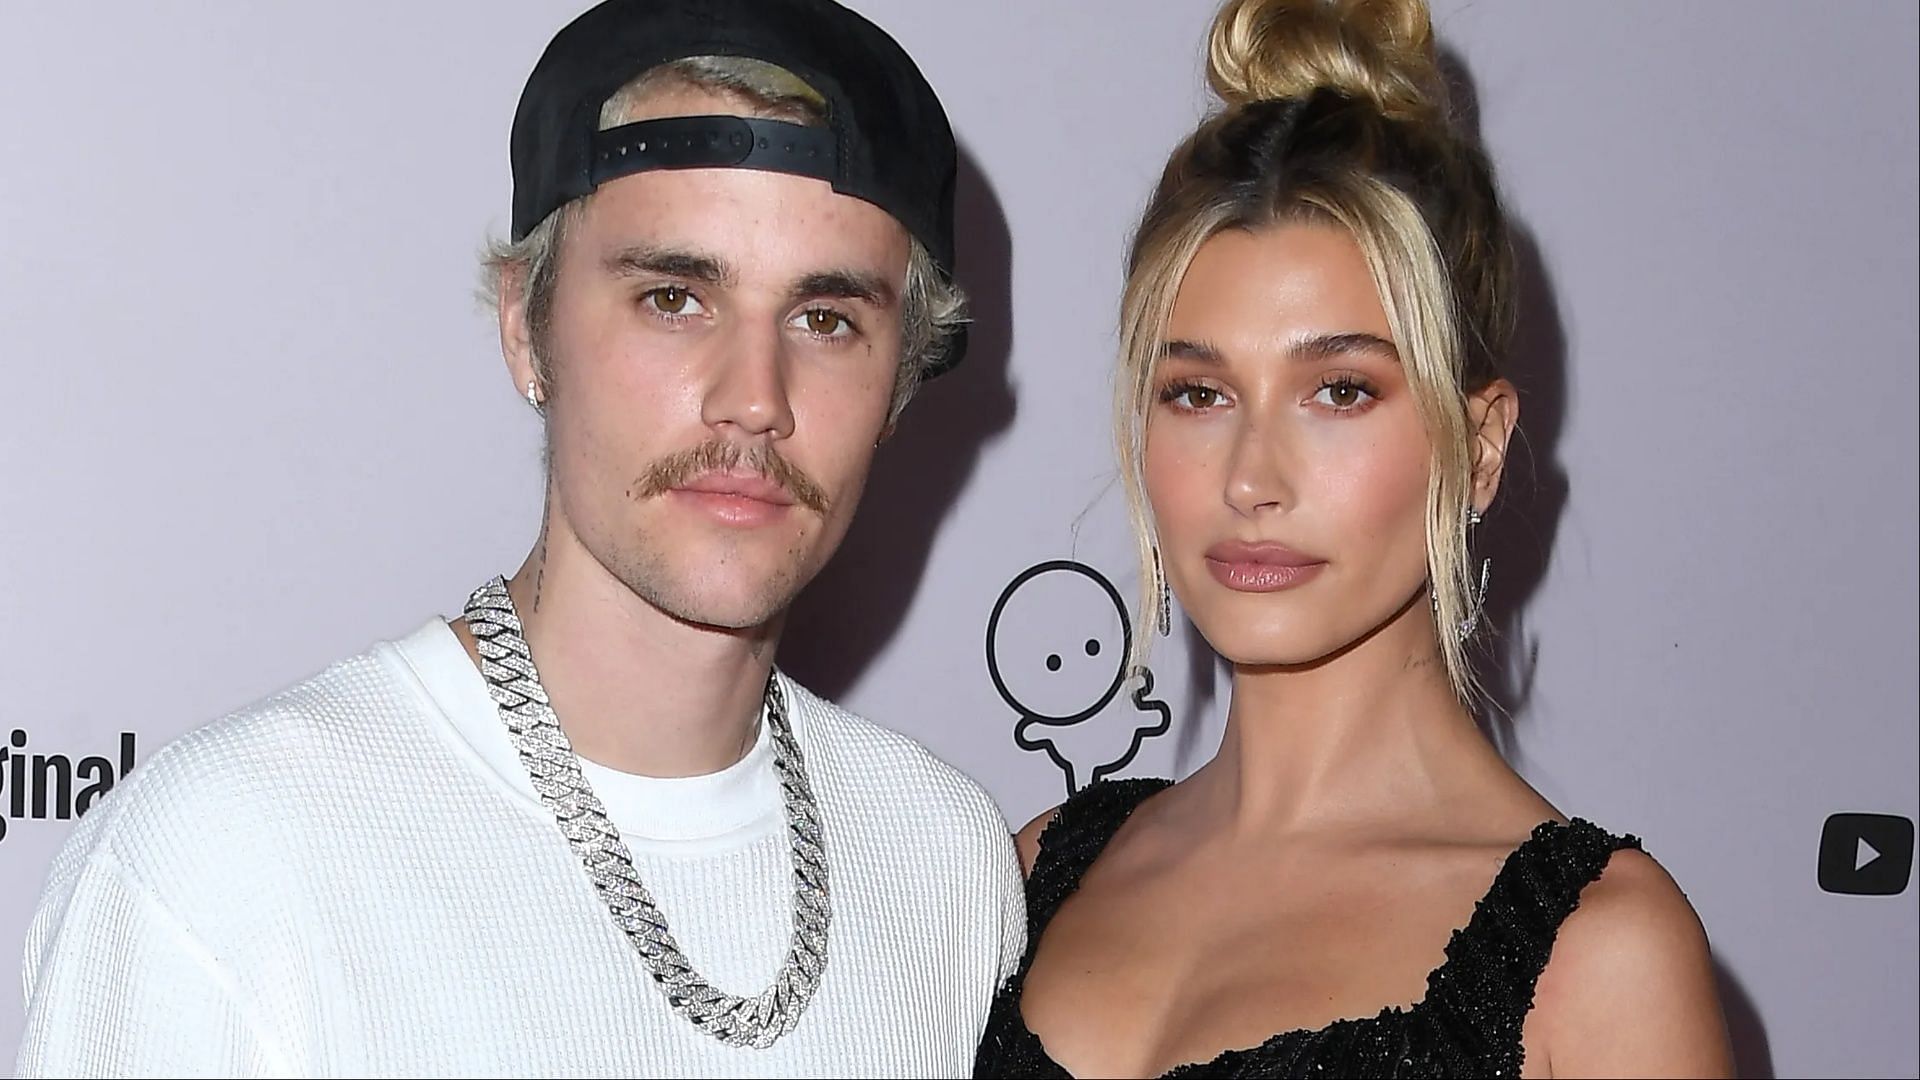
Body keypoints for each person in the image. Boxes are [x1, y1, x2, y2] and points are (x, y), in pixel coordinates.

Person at [17, 1, 1024, 1075]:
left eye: (826, 320)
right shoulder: (225, 864)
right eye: (674, 298)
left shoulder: (945, 862)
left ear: (901, 382)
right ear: (523, 326)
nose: (753, 399)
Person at [974, 0, 1735, 1076]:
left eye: (1339, 389)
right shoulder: (1040, 868)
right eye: (1197, 392)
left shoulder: (1596, 958)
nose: (1250, 477)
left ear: (1478, 446)